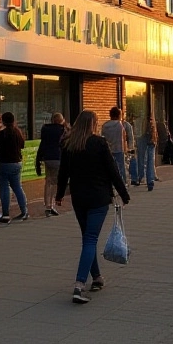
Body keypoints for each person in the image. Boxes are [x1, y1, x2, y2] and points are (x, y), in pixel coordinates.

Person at [55, 110, 131, 304]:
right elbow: (112, 170)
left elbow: (63, 172)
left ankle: (96, 277)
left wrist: (59, 195)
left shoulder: (69, 144)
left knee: (88, 238)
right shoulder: (98, 143)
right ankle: (79, 285)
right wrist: (124, 193)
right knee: (90, 239)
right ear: (93, 124)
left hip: (79, 199)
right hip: (98, 198)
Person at [0, 112, 28, 222]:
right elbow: (22, 145)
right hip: (16, 162)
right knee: (18, 187)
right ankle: (24, 211)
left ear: (3, 121)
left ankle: (5, 214)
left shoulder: (3, 134)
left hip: (3, 163)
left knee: (4, 188)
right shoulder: (18, 133)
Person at [37, 112, 67, 216]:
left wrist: (39, 157)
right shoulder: (62, 130)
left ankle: (47, 205)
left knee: (48, 181)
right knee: (54, 182)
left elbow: (43, 143)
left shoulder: (45, 129)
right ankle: (51, 205)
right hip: (57, 157)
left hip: (47, 157)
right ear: (61, 120)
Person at [101, 107, 131, 184]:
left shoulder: (104, 126)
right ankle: (122, 183)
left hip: (108, 150)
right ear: (118, 115)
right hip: (118, 149)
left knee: (109, 168)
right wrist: (126, 149)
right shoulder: (119, 125)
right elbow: (123, 138)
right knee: (120, 168)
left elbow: (103, 137)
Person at [132, 114, 158, 190]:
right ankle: (149, 180)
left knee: (142, 159)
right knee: (150, 161)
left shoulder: (142, 121)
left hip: (144, 139)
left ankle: (141, 177)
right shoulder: (151, 121)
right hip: (151, 141)